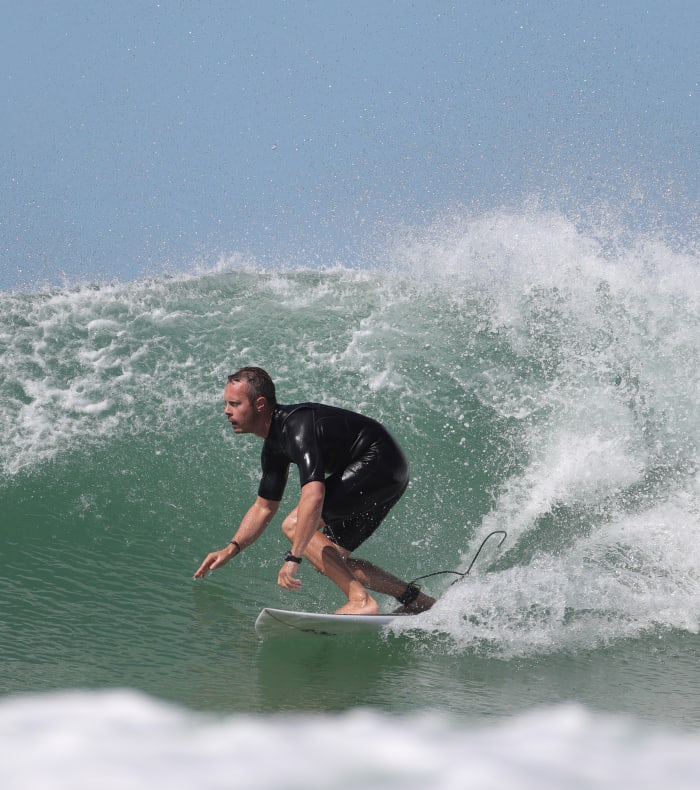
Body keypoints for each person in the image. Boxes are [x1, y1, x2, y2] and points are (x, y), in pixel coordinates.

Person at [194, 367, 435, 615]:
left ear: (260, 404)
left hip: (379, 460)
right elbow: (264, 507)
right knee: (330, 558)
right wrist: (230, 549)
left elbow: (315, 495)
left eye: (234, 404)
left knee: (294, 524)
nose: (226, 411)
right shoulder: (274, 446)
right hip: (390, 471)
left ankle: (360, 601)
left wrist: (293, 558)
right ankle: (416, 600)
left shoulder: (297, 426)